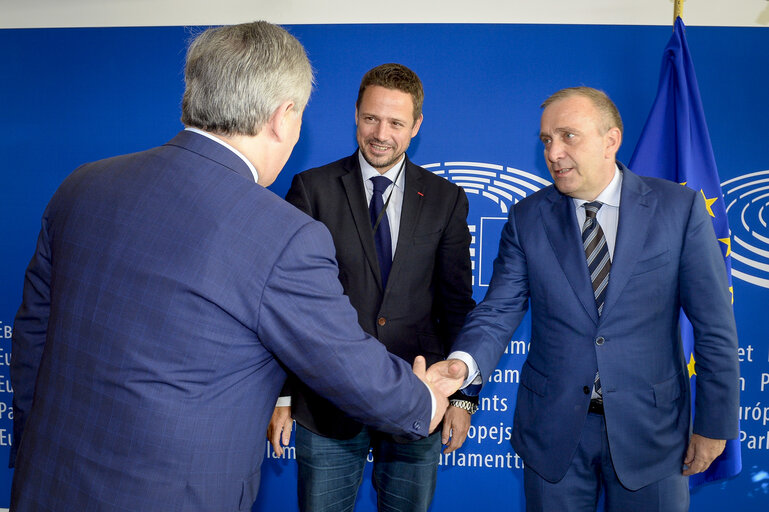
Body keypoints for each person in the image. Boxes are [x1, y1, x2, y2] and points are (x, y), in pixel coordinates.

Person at [9, 22, 455, 512]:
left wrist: (32, 445)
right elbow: (341, 359)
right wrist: (424, 401)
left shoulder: (82, 185)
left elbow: (33, 335)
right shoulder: (282, 234)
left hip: (46, 482)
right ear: (283, 117)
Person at [429, 87, 739, 511]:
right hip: (553, 433)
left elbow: (714, 325)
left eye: (568, 136)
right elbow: (499, 310)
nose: (553, 152)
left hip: (652, 433)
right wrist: (462, 364)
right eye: (546, 140)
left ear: (611, 140)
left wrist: (715, 425)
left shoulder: (678, 210)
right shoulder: (527, 218)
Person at [267, 63, 476, 512]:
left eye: (396, 122)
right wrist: (283, 394)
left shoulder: (445, 199)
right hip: (326, 402)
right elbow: (286, 304)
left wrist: (461, 397)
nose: (381, 133)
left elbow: (457, 304)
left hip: (418, 398)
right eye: (371, 118)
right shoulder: (313, 189)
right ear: (356, 113)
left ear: (417, 125)